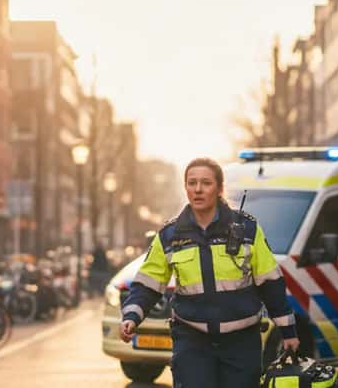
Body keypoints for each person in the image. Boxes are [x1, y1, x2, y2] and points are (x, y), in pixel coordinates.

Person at [119, 157, 299, 388]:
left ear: (219, 188)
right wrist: (131, 317)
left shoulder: (247, 230)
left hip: (242, 344)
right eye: (192, 183)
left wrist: (288, 331)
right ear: (185, 188)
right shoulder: (170, 235)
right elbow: (148, 283)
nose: (198, 189)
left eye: (206, 183)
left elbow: (271, 283)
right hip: (193, 343)